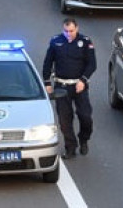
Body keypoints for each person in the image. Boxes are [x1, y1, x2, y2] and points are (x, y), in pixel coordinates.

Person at [42, 18, 96, 159]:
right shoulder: (56, 42)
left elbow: (92, 64)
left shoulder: (85, 41)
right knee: (65, 120)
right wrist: (47, 83)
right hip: (61, 86)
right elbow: (47, 63)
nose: (68, 34)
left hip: (79, 86)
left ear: (76, 28)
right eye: (66, 31)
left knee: (85, 116)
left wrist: (83, 80)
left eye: (71, 31)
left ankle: (84, 138)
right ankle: (70, 148)